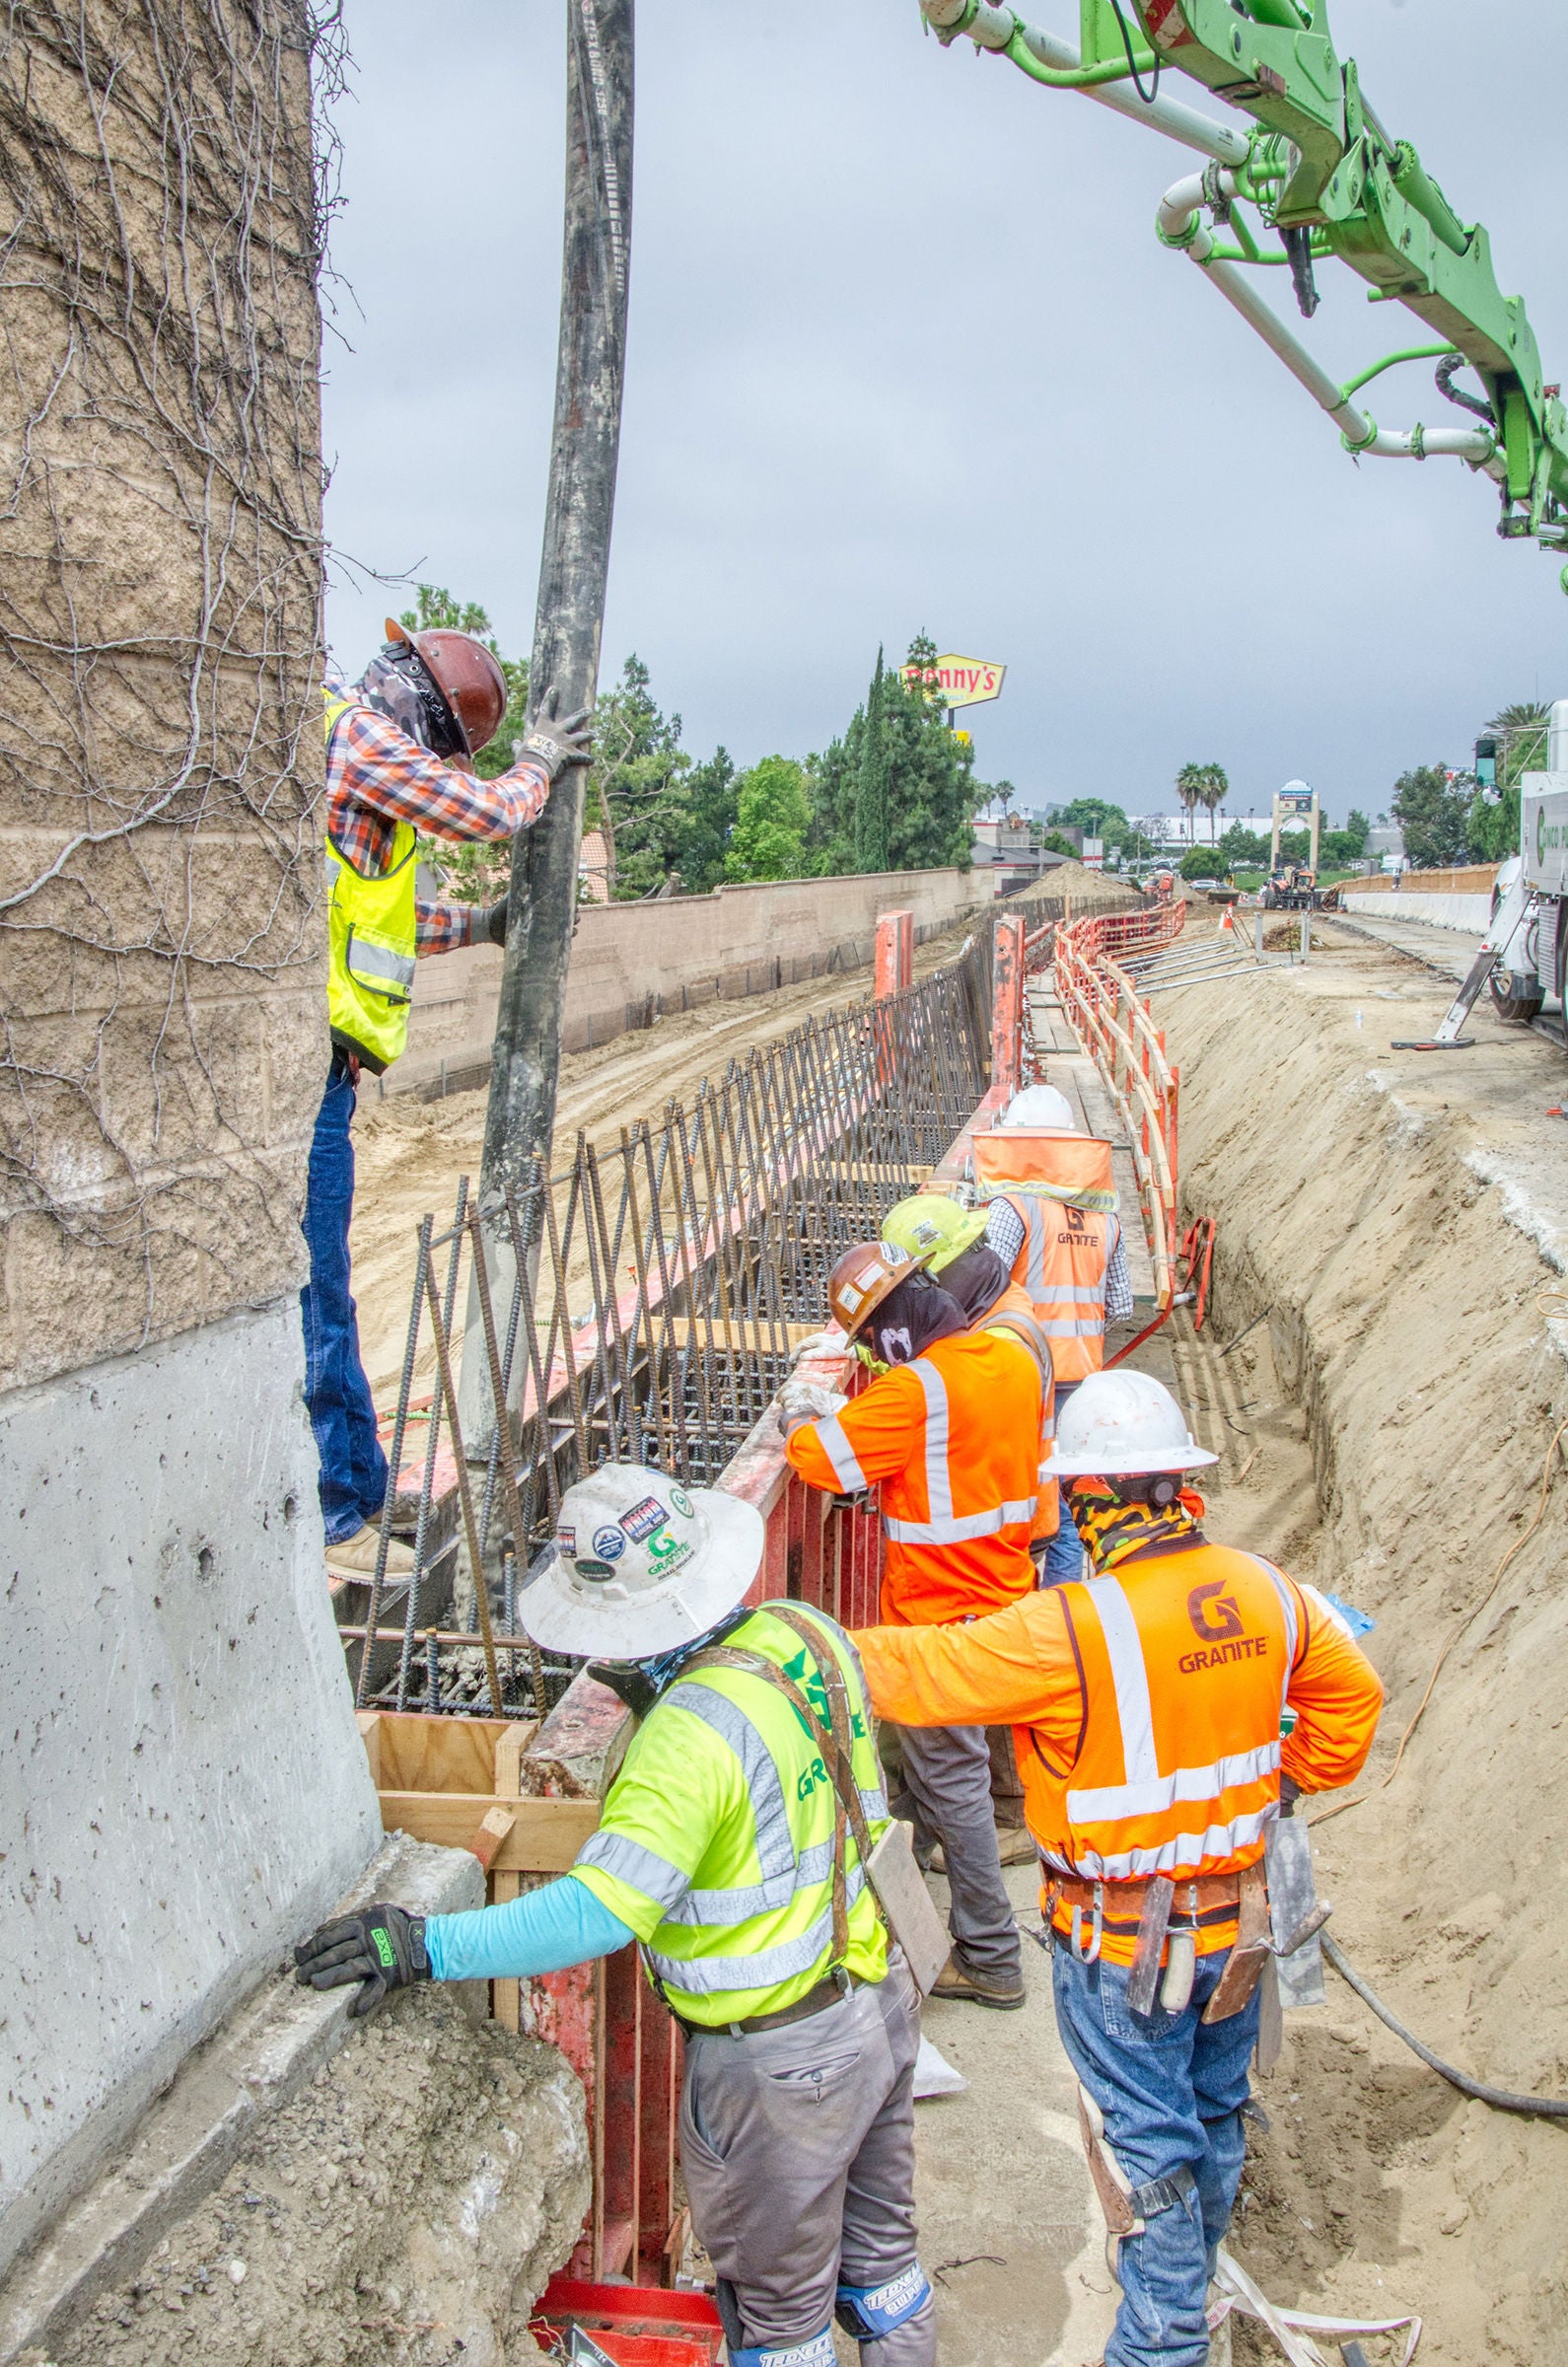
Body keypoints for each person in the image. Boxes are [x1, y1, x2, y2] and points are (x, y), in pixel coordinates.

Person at [296, 1463, 934, 2367]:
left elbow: (594, 1916)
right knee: (884, 2267)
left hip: (783, 2070)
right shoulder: (807, 1631)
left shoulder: (683, 1740)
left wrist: (423, 1944)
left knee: (782, 2324)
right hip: (880, 1997)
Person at [847, 1369, 1384, 2367]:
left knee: (1149, 2147)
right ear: (1181, 1489)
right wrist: (1274, 1782)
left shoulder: (1068, 1629)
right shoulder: (1271, 1590)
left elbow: (924, 1674)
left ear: (1090, 1501)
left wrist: (800, 1643)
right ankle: (1195, 2287)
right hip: (1241, 1930)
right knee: (1213, 2110)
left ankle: (1165, 2335)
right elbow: (1351, 1704)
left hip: (1123, 1942)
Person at [307, 620, 590, 1576]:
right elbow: (480, 811)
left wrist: (474, 924)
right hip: (304, 1071)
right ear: (419, 709)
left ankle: (357, 1500)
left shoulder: (356, 771)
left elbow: (375, 916)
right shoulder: (354, 732)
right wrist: (538, 766)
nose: (426, 757)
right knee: (316, 1291)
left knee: (327, 1287)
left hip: (326, 1071)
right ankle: (336, 1521)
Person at [782, 1239, 1046, 2011]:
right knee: (938, 1769)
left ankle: (992, 1955)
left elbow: (815, 1457)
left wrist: (803, 1401)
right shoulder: (1009, 1362)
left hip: (939, 1624)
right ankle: (935, 1879)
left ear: (888, 1332)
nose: (872, 1356)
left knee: (954, 1781)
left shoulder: (919, 1392)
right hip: (1003, 1594)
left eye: (870, 1342)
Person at [879, 1191, 1074, 1585]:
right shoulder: (999, 1303)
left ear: (943, 1274)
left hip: (996, 1526)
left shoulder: (1000, 1341)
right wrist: (876, 1349)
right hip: (1005, 1513)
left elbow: (941, 1390)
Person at [982, 1082, 1135, 1578]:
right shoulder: (1107, 1220)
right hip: (1081, 1376)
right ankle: (1064, 1609)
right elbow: (1120, 1305)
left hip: (1023, 1374)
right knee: (1067, 1503)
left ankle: (1013, 1608)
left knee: (1009, 1495)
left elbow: (981, 1290)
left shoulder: (1013, 1208)